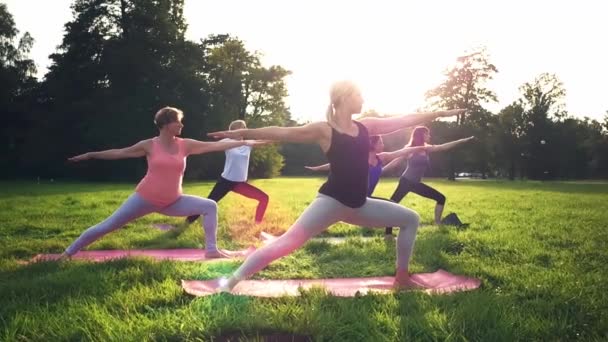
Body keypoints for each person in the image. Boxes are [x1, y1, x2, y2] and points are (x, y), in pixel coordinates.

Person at [207, 81, 464, 291]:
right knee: (286, 243)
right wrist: (242, 134)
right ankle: (231, 282)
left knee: (410, 218)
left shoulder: (367, 126)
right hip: (331, 203)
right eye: (358, 93)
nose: (362, 98)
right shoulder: (325, 130)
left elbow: (405, 120)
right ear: (343, 97)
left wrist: (438, 113)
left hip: (359, 205)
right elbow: (282, 132)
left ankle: (402, 277)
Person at [61, 107, 263, 259]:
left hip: (172, 200)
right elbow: (119, 153)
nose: (182, 125)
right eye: (178, 122)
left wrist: (245, 141)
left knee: (210, 206)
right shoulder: (149, 145)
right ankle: (68, 253)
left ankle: (211, 250)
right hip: (144, 199)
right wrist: (90, 155)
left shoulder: (185, 145)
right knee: (108, 225)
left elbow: (213, 147)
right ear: (166, 124)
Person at [385, 126, 474, 236]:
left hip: (416, 184)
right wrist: (381, 171)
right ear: (421, 135)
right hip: (406, 182)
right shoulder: (410, 149)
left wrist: (463, 141)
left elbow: (443, 147)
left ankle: (437, 223)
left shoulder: (427, 149)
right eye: (427, 134)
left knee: (441, 198)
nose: (429, 136)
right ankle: (388, 234)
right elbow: (395, 162)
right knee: (392, 205)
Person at [184, 120, 270, 226]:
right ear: (234, 131)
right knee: (209, 202)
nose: (245, 129)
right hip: (225, 181)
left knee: (264, 198)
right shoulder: (227, 142)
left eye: (245, 127)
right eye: (242, 127)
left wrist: (279, 136)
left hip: (239, 184)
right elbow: (209, 146)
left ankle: (257, 224)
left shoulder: (248, 144)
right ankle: (187, 222)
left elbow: (265, 142)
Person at [305, 135, 428, 196]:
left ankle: (386, 233)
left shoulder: (381, 157)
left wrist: (422, 147)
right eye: (381, 142)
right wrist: (317, 168)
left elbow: (401, 152)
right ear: (373, 145)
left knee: (390, 208)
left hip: (367, 197)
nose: (383, 145)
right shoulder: (360, 158)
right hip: (355, 196)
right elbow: (335, 164)